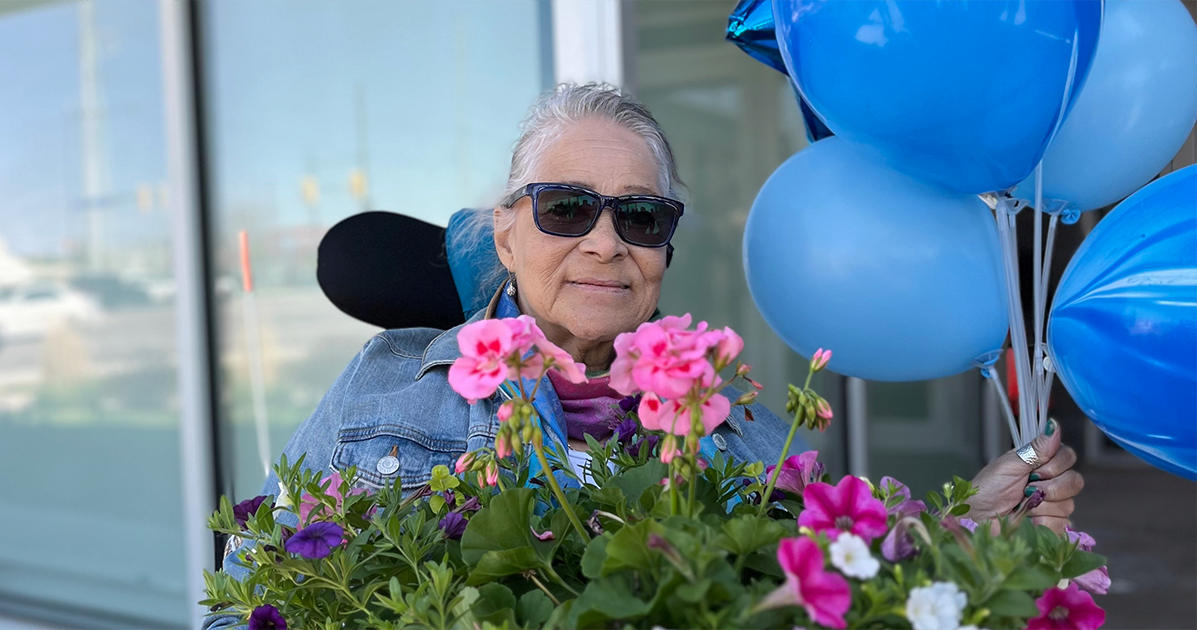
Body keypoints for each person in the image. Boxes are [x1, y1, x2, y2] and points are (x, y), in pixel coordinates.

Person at [203, 83, 1082, 627]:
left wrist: (965, 525)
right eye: (563, 208)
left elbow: (836, 600)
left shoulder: (748, 435)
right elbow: (252, 602)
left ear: (664, 251)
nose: (604, 243)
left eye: (641, 216)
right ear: (504, 236)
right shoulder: (389, 378)